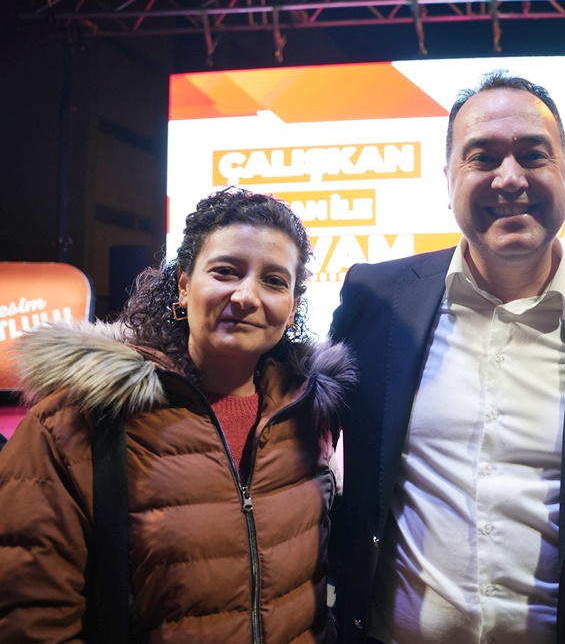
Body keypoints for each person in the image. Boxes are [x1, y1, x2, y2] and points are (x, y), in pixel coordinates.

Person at [330, 70, 565, 643]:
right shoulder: (377, 300)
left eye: (534, 155)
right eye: (483, 157)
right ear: (448, 179)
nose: (510, 178)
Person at [0, 188, 355, 642]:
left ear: (292, 308)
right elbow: (32, 617)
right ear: (184, 286)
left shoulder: (310, 416)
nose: (247, 296)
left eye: (274, 281)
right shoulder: (77, 421)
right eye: (225, 271)